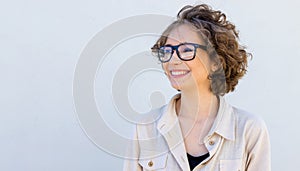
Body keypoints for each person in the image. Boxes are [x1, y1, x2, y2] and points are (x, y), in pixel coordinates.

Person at [123, 4, 271, 171]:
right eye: (167, 50)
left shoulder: (249, 130)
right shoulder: (145, 128)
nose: (173, 60)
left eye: (186, 50)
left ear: (216, 62)